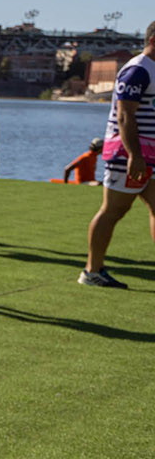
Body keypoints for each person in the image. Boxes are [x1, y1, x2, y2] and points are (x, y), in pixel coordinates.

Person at [80, 20, 155, 287]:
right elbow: (125, 116)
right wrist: (135, 155)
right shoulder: (137, 70)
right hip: (129, 154)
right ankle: (92, 271)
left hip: (150, 153)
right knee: (113, 210)